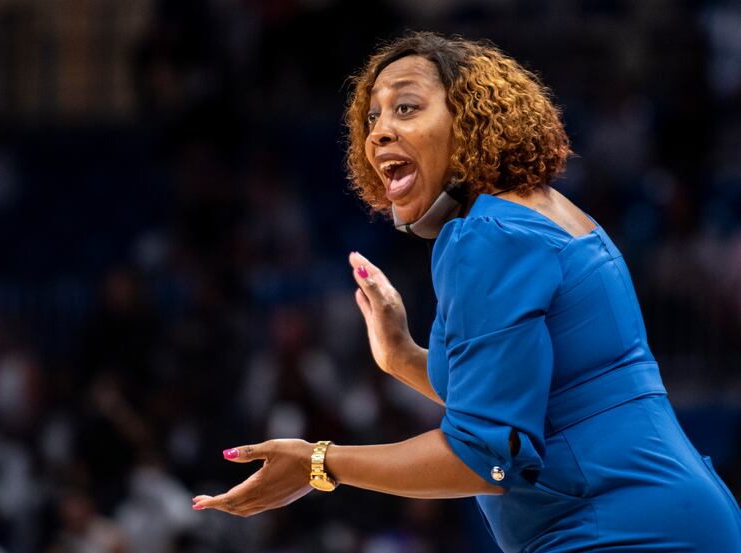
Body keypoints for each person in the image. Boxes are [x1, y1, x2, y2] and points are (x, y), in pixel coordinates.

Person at [192, 31, 741, 552]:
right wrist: (402, 357)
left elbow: (486, 459)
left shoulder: (486, 235)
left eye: (406, 107)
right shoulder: (545, 213)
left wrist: (319, 463)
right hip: (669, 514)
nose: (379, 130)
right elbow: (533, 404)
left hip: (620, 527)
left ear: (471, 121)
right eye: (373, 116)